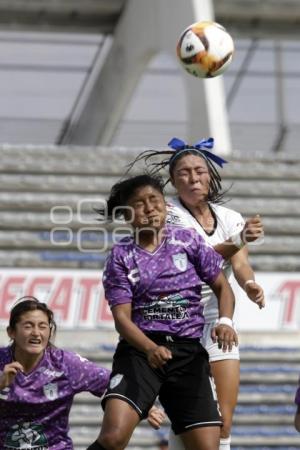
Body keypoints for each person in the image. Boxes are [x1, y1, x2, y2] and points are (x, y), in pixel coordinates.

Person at [128, 137, 265, 450]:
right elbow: (200, 254)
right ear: (174, 181)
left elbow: (240, 263)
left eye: (199, 171)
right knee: (188, 420)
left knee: (224, 421)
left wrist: (250, 285)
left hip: (218, 323)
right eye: (185, 172)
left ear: (210, 175)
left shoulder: (230, 217)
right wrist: (240, 238)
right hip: (176, 327)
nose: (193, 177)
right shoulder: (170, 215)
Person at [87, 174, 238, 450]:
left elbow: (222, 287)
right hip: (140, 354)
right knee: (113, 438)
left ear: (166, 206)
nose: (149, 208)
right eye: (140, 204)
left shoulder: (188, 240)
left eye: (154, 200)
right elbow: (122, 318)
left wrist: (226, 321)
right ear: (127, 215)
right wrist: (149, 348)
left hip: (188, 355)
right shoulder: (120, 256)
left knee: (208, 447)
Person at [0, 296, 111, 450]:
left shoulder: (66, 364)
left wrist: (146, 407)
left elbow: (115, 382)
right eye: (28, 326)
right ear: (11, 332)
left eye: (43, 326)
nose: (36, 333)